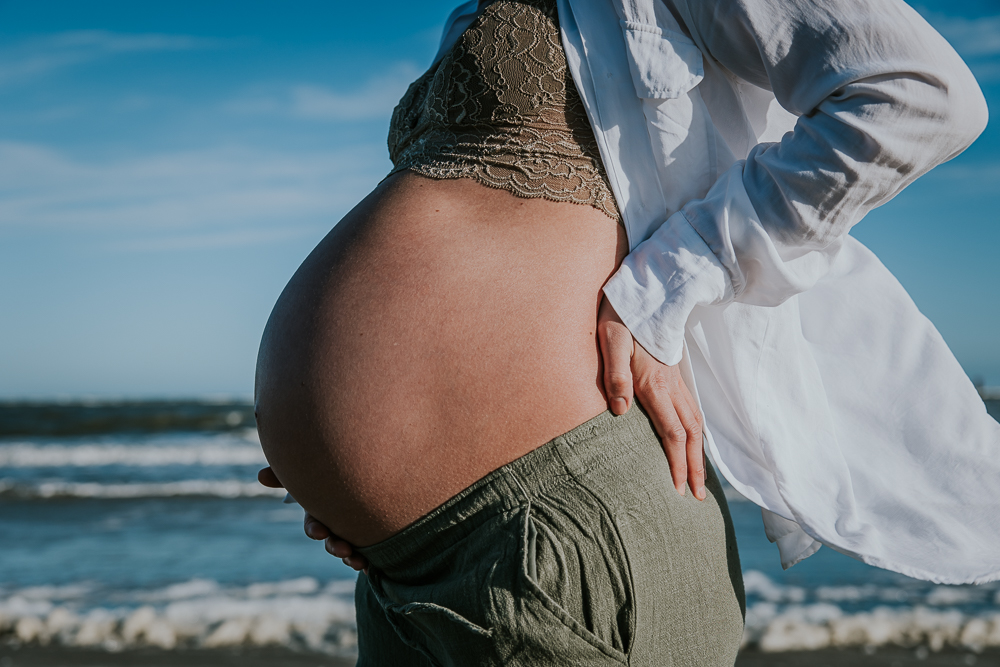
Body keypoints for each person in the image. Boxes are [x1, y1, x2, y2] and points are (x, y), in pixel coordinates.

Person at [256, 0, 995, 663]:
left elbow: (919, 95)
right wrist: (354, 472)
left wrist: (674, 280)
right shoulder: (472, 12)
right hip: (405, 566)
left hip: (560, 534)